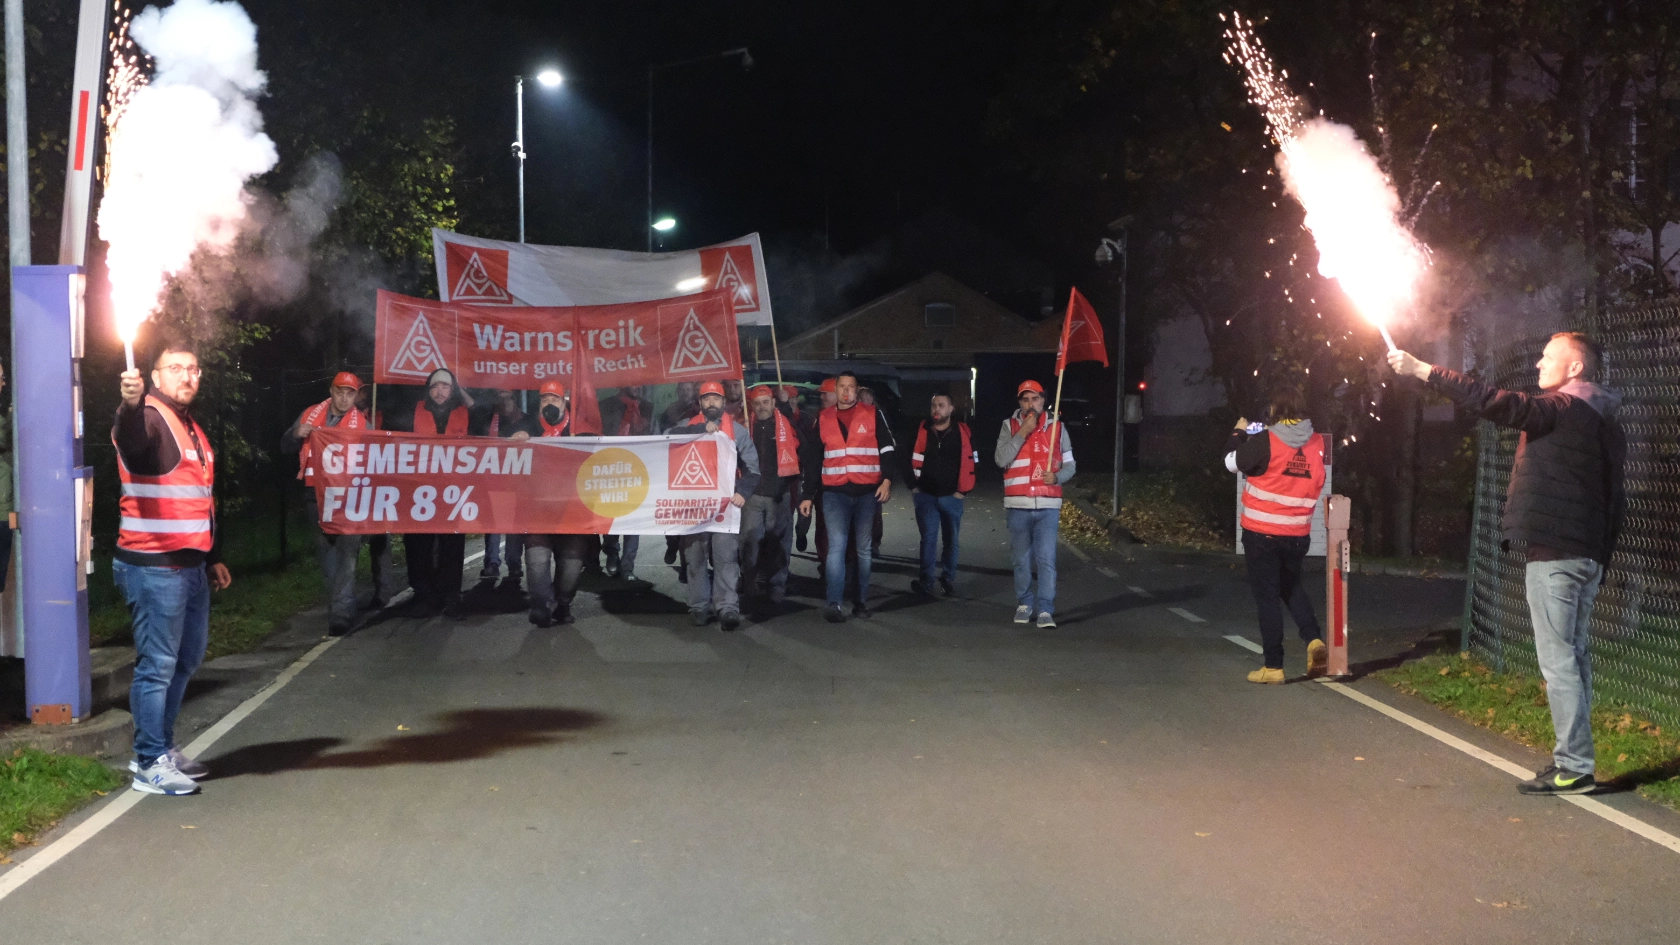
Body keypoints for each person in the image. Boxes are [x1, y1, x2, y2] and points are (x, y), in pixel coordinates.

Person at [1390, 334, 1625, 796]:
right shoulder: (1604, 422)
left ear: (1575, 368)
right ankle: (1574, 759)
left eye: (1549, 356)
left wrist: (1424, 370)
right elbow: (1615, 497)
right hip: (1586, 556)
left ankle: (1575, 766)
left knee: (1558, 661)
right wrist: (1603, 557)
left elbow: (1495, 402)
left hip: (1554, 555)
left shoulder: (1561, 408)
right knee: (1574, 657)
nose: (1539, 364)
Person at [114, 339, 232, 796]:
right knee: (158, 665)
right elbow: (132, 444)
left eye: (194, 369)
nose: (187, 375)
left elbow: (198, 499)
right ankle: (148, 762)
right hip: (154, 565)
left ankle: (160, 746)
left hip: (190, 565)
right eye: (176, 368)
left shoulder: (189, 425)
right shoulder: (148, 416)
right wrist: (128, 405)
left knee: (186, 660)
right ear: (156, 377)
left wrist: (212, 555)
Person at [1223, 388, 1327, 684]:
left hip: (1262, 534)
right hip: (1298, 534)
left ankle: (1273, 666)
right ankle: (1314, 640)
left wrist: (1238, 433)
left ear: (1275, 412)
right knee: (1291, 586)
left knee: (1267, 597)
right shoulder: (1317, 442)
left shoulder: (1266, 441)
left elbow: (1230, 463)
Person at [800, 371, 898, 622]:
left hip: (867, 493)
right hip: (834, 493)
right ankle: (834, 603)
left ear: (857, 390)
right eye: (842, 387)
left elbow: (888, 448)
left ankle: (860, 601)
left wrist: (887, 480)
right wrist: (807, 494)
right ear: (836, 390)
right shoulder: (823, 418)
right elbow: (814, 459)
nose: (846, 391)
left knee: (863, 549)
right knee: (837, 547)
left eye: (850, 387)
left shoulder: (872, 413)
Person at [280, 371, 369, 635]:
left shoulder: (364, 425)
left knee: (348, 553)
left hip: (349, 498)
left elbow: (376, 459)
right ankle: (343, 602)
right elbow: (284, 446)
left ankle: (340, 613)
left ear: (356, 396)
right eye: (340, 392)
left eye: (350, 393)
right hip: (316, 496)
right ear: (331, 391)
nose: (345, 398)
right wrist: (296, 434)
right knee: (327, 553)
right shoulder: (309, 415)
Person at [383, 368, 474, 618]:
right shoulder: (413, 412)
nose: (439, 391)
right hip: (419, 491)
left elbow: (486, 433)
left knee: (452, 544)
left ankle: (450, 594)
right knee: (418, 544)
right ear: (428, 390)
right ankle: (423, 594)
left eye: (445, 386)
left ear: (453, 389)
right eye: (435, 387)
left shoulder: (466, 412)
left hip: (453, 491)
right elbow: (390, 436)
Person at [670, 381, 760, 629]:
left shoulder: (738, 431)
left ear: (723, 402)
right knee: (695, 558)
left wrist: (743, 491)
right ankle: (699, 607)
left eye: (716, 398)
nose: (711, 403)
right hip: (693, 506)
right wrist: (698, 429)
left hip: (724, 506)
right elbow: (667, 437)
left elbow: (753, 469)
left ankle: (727, 608)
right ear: (700, 403)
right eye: (707, 399)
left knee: (726, 558)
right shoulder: (687, 425)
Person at [996, 379, 1075, 628]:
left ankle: (1045, 609)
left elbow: (1070, 465)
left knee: (1046, 559)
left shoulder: (1058, 428)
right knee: (1021, 559)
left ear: (1043, 400)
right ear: (1020, 403)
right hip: (1018, 505)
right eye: (1026, 399)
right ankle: (1024, 603)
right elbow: (1000, 459)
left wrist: (1057, 477)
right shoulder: (1009, 426)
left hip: (1048, 506)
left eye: (1035, 398)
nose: (1031, 404)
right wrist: (1022, 432)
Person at [526, 380, 591, 627]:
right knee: (536, 564)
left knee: (571, 569)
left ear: (564, 402)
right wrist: (514, 441)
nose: (549, 403)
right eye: (544, 399)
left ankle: (562, 604)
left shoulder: (581, 432)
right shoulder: (528, 427)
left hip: (572, 513)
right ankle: (541, 607)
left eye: (554, 399)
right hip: (537, 513)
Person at [473, 390, 540, 596]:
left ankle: (514, 564)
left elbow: (537, 446)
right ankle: (492, 563)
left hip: (517, 482)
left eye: (507, 397)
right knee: (493, 524)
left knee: (513, 526)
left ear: (514, 399)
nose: (504, 402)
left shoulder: (527, 421)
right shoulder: (488, 420)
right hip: (493, 480)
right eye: (500, 397)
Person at [910, 393, 976, 599]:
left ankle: (948, 578)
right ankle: (926, 581)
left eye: (941, 405)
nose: (936, 409)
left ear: (951, 409)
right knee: (928, 538)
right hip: (926, 495)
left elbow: (974, 460)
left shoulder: (962, 432)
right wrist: (913, 485)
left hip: (952, 497)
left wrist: (963, 491)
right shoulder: (921, 429)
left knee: (951, 539)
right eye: (934, 405)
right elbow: (905, 456)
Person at [740, 385, 801, 606]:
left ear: (774, 403)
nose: (762, 407)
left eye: (766, 402)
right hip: (753, 496)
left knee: (779, 543)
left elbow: (803, 447)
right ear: (752, 406)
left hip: (779, 495)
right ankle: (750, 581)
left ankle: (777, 585)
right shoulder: (746, 428)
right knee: (749, 543)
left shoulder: (786, 425)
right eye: (757, 403)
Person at [601, 385, 654, 582]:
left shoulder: (648, 408)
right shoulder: (606, 406)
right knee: (611, 519)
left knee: (634, 521)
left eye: (640, 383)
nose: (637, 386)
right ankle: (612, 552)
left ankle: (627, 566)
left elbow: (656, 436)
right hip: (611, 470)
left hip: (637, 471)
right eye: (633, 382)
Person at [353, 384, 396, 609]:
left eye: (361, 392)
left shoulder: (385, 416)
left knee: (380, 538)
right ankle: (346, 595)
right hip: (354, 483)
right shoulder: (347, 419)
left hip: (380, 482)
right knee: (351, 540)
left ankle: (383, 590)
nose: (359, 396)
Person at [795, 379, 838, 554]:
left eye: (825, 393)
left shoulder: (840, 418)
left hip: (842, 484)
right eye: (821, 394)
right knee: (823, 527)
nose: (822, 397)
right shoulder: (820, 416)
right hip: (823, 482)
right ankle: (826, 563)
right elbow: (814, 453)